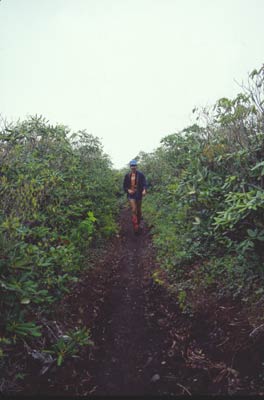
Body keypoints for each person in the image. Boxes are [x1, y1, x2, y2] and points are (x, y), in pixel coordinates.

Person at [123, 159, 147, 234]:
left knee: (139, 210)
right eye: (132, 166)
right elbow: (124, 186)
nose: (133, 167)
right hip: (131, 195)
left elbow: (144, 183)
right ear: (130, 167)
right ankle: (135, 226)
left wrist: (144, 190)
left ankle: (139, 223)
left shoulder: (140, 174)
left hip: (138, 194)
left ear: (136, 166)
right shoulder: (127, 176)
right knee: (134, 209)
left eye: (134, 165)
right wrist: (128, 190)